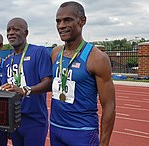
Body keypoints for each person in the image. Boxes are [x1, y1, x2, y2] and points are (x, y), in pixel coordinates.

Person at [50, 1, 116, 146]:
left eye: (67, 20)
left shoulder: (96, 58)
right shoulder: (55, 53)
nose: (61, 26)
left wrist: (104, 143)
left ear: (82, 21)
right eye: (58, 21)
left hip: (82, 132)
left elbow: (109, 105)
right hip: (55, 127)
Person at [0, 17, 52, 146]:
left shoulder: (39, 52)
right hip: (14, 119)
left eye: (16, 29)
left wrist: (24, 90)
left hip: (34, 120)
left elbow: (49, 82)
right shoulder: (7, 61)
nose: (11, 32)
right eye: (8, 30)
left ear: (26, 33)